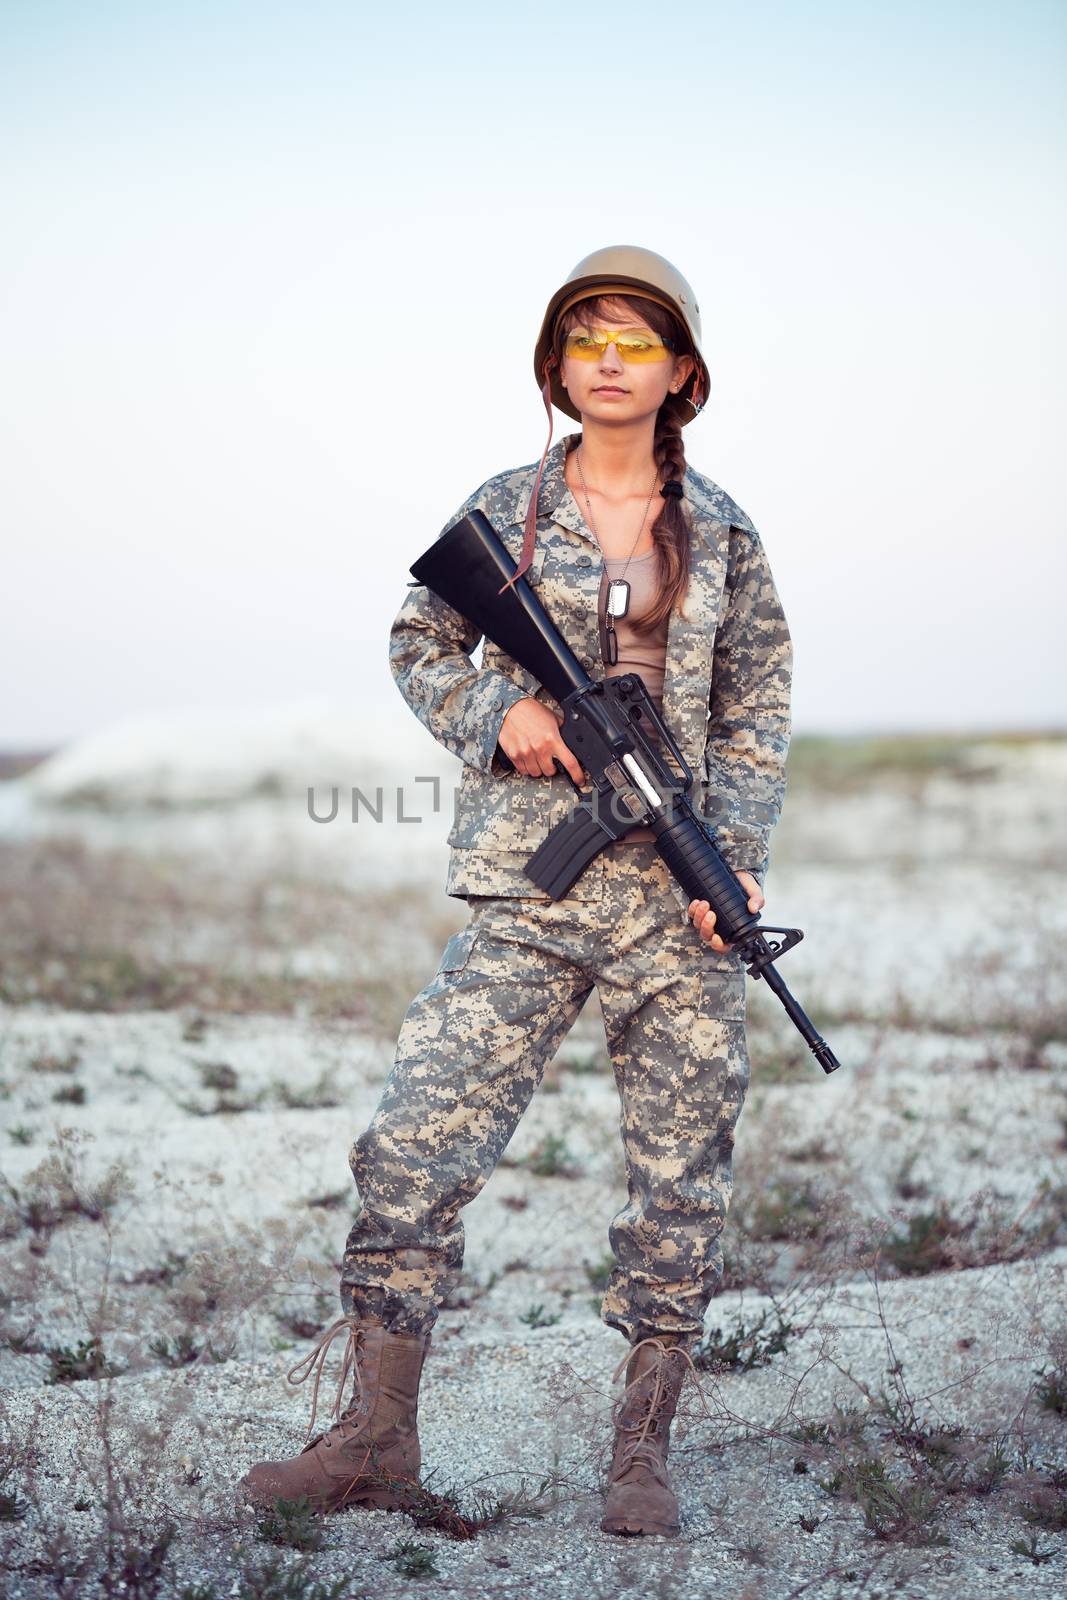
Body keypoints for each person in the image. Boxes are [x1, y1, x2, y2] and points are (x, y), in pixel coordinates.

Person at [239, 245, 792, 1537]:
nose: (608, 356)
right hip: (527, 894)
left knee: (681, 1182)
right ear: (557, 365)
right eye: (586, 335)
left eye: (636, 339)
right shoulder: (508, 509)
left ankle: (642, 1453)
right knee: (414, 1145)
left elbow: (759, 705)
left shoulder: (726, 533)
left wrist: (742, 849)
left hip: (676, 904)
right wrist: (506, 714)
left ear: (681, 372)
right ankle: (376, 1436)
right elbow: (418, 641)